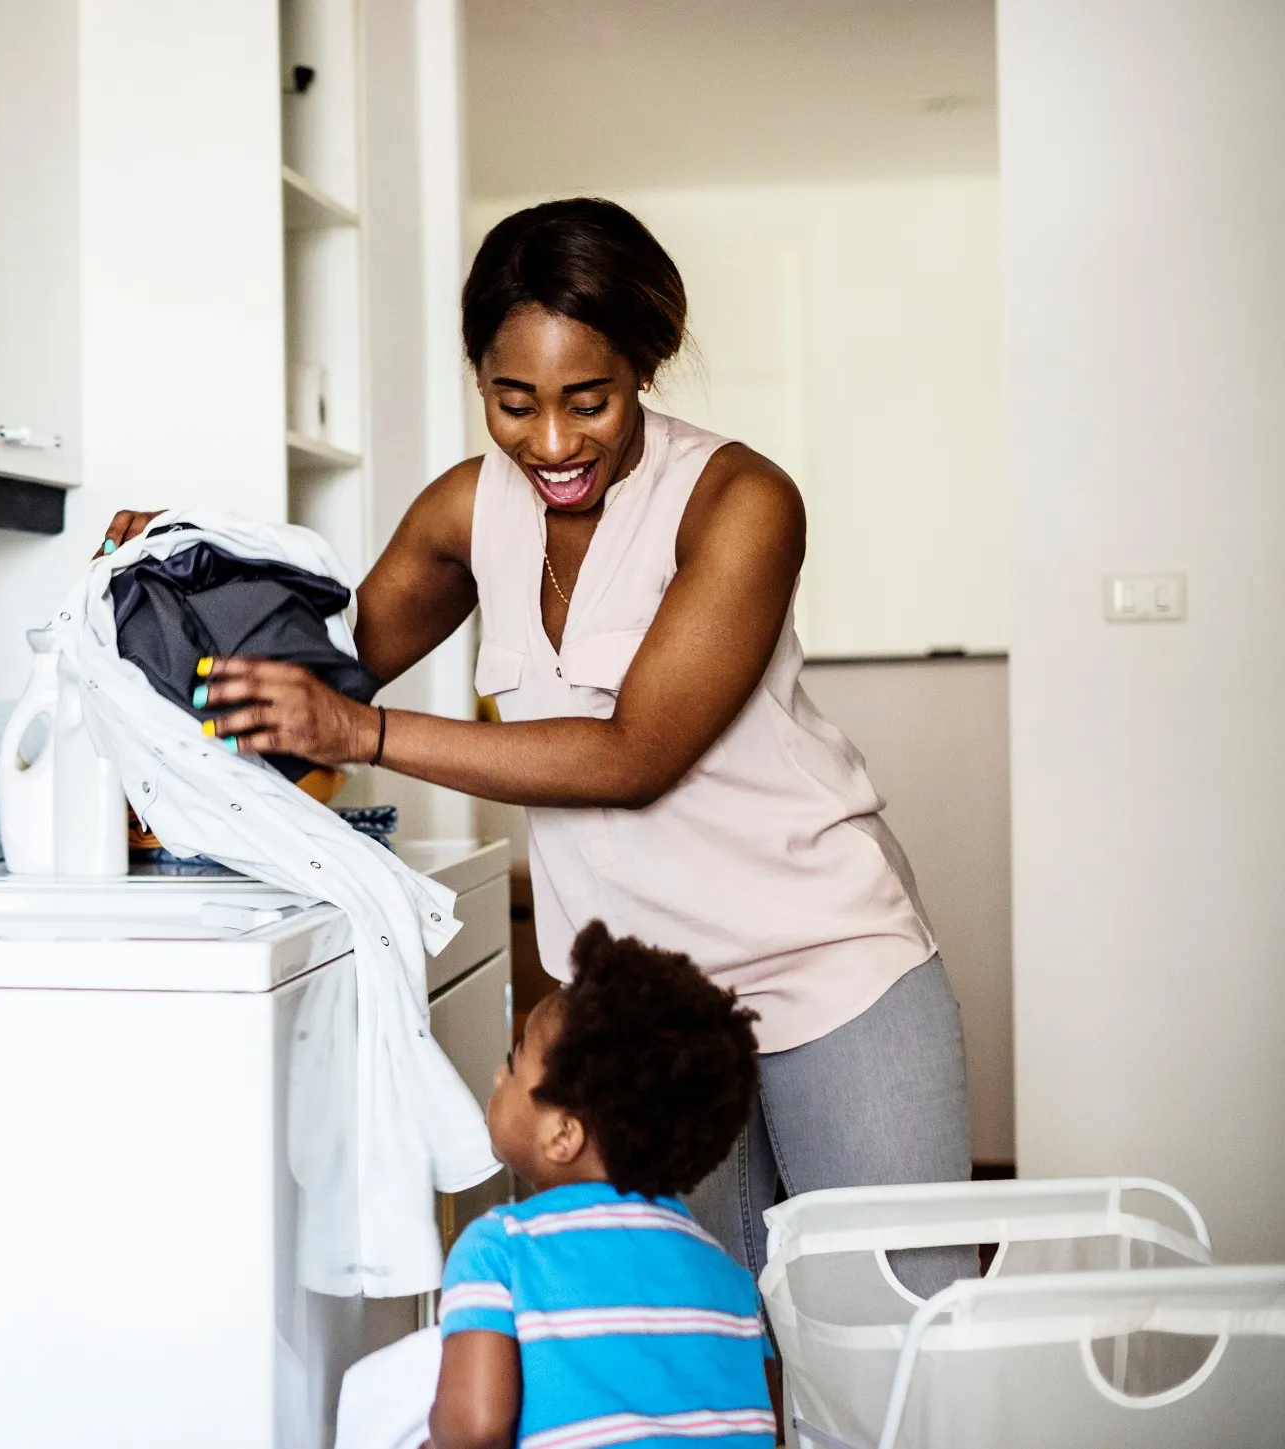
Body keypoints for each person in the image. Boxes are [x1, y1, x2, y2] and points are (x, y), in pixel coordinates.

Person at [101, 197, 973, 1291]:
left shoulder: (740, 502)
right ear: (478, 381)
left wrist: (363, 734)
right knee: (680, 1359)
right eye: (513, 404)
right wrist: (180, 565)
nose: (551, 444)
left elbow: (633, 753)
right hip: (639, 1012)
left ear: (645, 364)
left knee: (894, 1342)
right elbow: (314, 672)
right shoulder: (465, 514)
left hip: (827, 968)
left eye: (587, 401)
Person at [338, 922, 774, 1449]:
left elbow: (477, 1427)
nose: (499, 1079)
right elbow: (764, 1425)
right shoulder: (728, 1276)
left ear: (563, 1134)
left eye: (513, 1065)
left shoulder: (501, 1246)